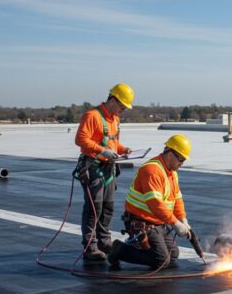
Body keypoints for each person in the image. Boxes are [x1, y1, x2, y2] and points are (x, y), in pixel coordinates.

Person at [107, 134, 192, 270]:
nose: (181, 164)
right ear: (170, 155)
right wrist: (175, 223)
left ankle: (145, 248)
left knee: (173, 253)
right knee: (162, 260)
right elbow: (155, 204)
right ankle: (120, 250)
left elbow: (177, 198)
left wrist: (183, 219)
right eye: (181, 160)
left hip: (158, 222)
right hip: (142, 222)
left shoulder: (171, 172)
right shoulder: (152, 170)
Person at [74, 83, 134, 261]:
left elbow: (113, 143)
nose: (123, 110)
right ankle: (90, 247)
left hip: (109, 169)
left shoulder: (114, 119)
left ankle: (103, 241)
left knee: (108, 206)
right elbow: (80, 139)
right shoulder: (92, 116)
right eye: (122, 106)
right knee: (94, 207)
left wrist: (123, 150)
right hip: (93, 167)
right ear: (113, 100)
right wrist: (101, 151)